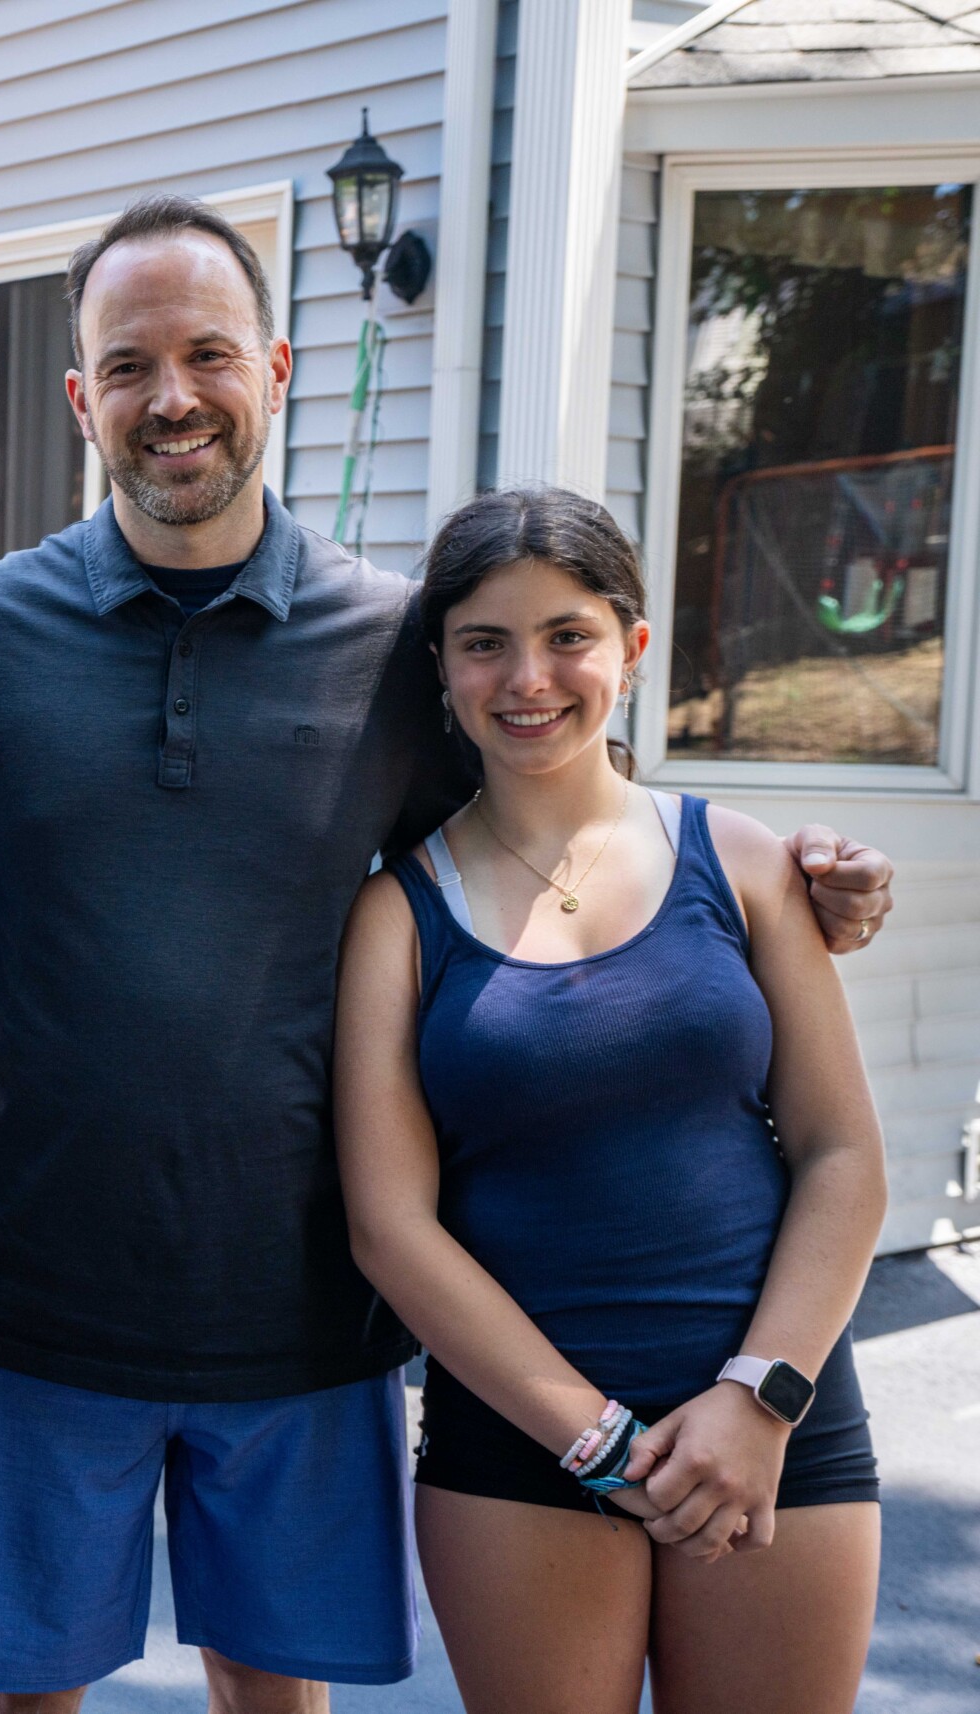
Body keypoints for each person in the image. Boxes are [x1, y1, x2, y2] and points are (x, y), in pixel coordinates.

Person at [0, 193, 898, 1713]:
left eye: (208, 354)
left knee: (274, 1695)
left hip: (304, 1315)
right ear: (79, 396)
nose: (172, 396)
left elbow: (554, 815)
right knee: (17, 1694)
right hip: (38, 1296)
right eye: (128, 364)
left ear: (277, 368)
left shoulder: (393, 644)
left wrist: (786, 875)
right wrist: (55, 1019)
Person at [334, 487, 884, 1714]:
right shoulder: (397, 914)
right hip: (523, 1446)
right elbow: (390, 1226)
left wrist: (759, 1400)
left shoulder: (743, 861)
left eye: (567, 635)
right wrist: (598, 1443)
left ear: (631, 648)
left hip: (779, 1424)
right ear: (442, 669)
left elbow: (843, 1153)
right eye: (485, 641)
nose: (528, 677)